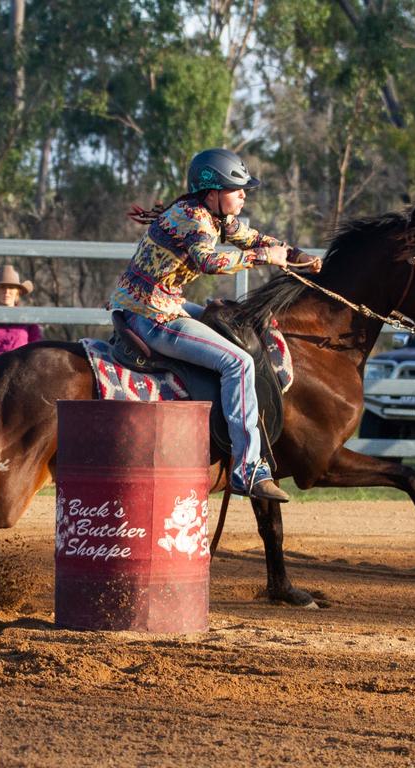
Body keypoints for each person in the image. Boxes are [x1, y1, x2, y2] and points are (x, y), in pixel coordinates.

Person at [109, 147, 319, 503]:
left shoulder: (211, 214)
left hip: (158, 303)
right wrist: (265, 258)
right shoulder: (194, 218)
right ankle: (248, 468)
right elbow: (208, 261)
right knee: (237, 362)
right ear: (213, 193)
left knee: (226, 325)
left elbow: (249, 237)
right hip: (152, 314)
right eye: (236, 189)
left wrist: (293, 253)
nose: (243, 195)